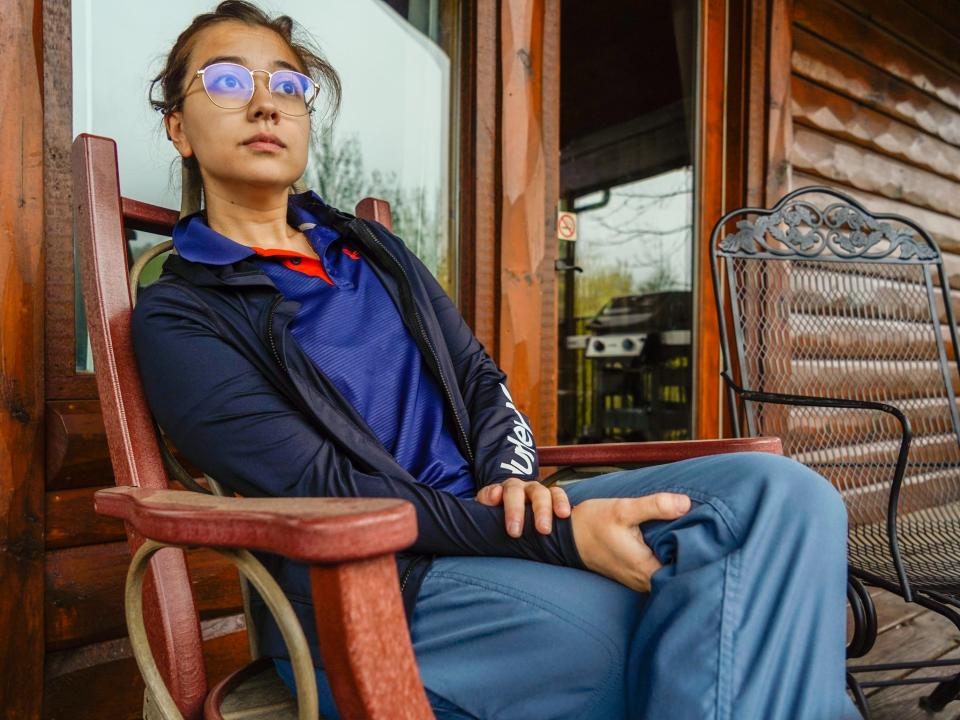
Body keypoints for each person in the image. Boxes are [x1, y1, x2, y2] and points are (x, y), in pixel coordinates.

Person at [132, 2, 860, 718]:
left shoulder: (370, 250)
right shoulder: (181, 314)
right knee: (658, 623)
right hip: (380, 576)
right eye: (228, 81)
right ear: (178, 128)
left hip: (494, 518)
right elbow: (326, 489)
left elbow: (481, 379)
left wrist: (515, 485)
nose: (266, 104)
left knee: (785, 497)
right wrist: (561, 536)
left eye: (288, 85)